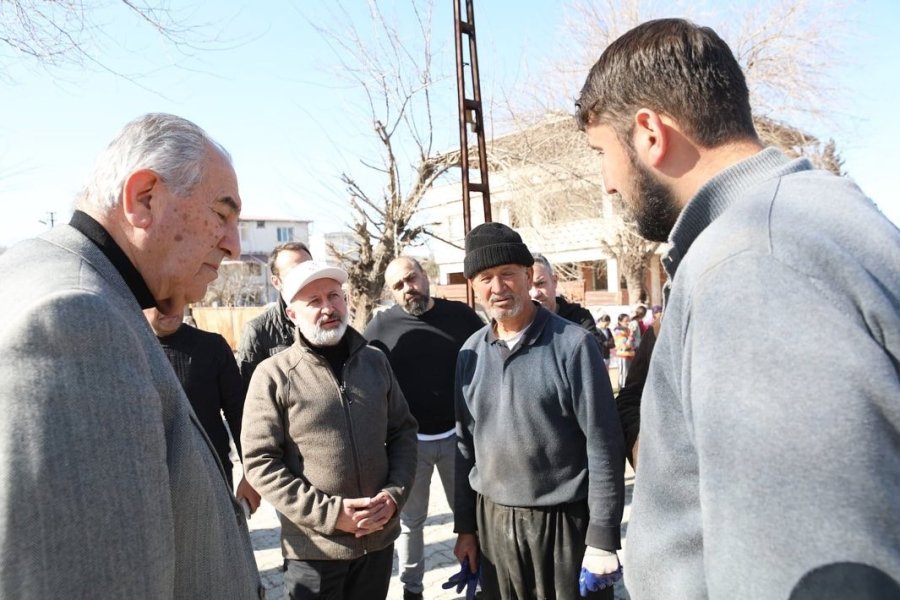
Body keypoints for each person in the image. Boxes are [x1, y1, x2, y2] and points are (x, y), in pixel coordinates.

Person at [576, 18, 900, 598]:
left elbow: (807, 571)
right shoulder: (808, 215)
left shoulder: (754, 262)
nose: (607, 184)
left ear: (649, 133)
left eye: (602, 153)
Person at [0, 113, 262, 598]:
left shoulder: (41, 269)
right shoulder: (75, 318)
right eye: (222, 215)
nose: (233, 245)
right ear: (144, 198)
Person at [453, 222, 625, 600]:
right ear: (473, 286)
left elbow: (604, 445)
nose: (497, 288)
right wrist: (466, 528)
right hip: (494, 525)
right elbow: (464, 446)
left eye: (507, 274)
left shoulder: (574, 346)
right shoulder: (470, 353)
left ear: (529, 276)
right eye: (485, 278)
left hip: (564, 526)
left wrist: (602, 537)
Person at [242, 260, 419, 600]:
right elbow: (260, 463)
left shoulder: (375, 361)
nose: (328, 308)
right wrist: (332, 515)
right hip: (314, 552)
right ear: (291, 314)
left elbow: (403, 432)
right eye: (314, 301)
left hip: (378, 542)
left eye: (334, 296)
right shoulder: (274, 375)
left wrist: (393, 497)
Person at [364, 256, 484, 600]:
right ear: (391, 292)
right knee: (411, 523)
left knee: (471, 519)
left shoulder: (461, 317)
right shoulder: (380, 328)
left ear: (425, 275)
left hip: (459, 440)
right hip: (409, 445)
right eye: (398, 286)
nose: (408, 289)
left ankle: (478, 579)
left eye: (411, 279)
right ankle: (411, 590)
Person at [144, 307, 261, 513]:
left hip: (213, 475)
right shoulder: (128, 351)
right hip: (153, 482)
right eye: (158, 301)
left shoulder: (212, 347)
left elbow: (239, 413)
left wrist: (250, 473)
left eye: (174, 298)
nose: (168, 307)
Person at [237, 241, 312, 393]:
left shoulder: (330, 317)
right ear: (277, 282)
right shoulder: (258, 331)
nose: (305, 277)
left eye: (309, 269)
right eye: (295, 272)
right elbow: (249, 396)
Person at [529, 253, 605, 348]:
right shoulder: (519, 324)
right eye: (528, 287)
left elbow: (592, 353)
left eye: (540, 283)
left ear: (554, 281)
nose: (535, 294)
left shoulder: (579, 318)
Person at [612, 313, 635, 389]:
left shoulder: (627, 330)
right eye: (626, 321)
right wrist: (631, 336)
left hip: (629, 355)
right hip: (623, 356)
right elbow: (624, 346)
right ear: (620, 321)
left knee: (628, 374)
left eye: (629, 320)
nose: (628, 322)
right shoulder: (618, 331)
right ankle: (622, 390)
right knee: (623, 374)